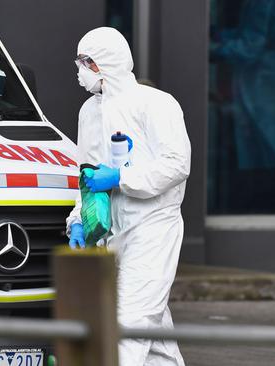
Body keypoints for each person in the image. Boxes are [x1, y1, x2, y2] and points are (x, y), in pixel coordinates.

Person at [65, 27, 190, 366]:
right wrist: (79, 221)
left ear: (103, 63)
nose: (79, 72)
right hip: (113, 231)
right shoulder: (90, 113)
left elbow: (177, 165)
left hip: (153, 227)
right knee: (154, 337)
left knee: (128, 327)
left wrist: (121, 177)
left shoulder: (156, 105)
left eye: (83, 63)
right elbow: (87, 176)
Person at [210, 0, 275, 172]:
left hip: (263, 76)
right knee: (274, 139)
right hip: (265, 72)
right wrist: (222, 37)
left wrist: (213, 50)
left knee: (274, 140)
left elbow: (252, 45)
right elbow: (251, 34)